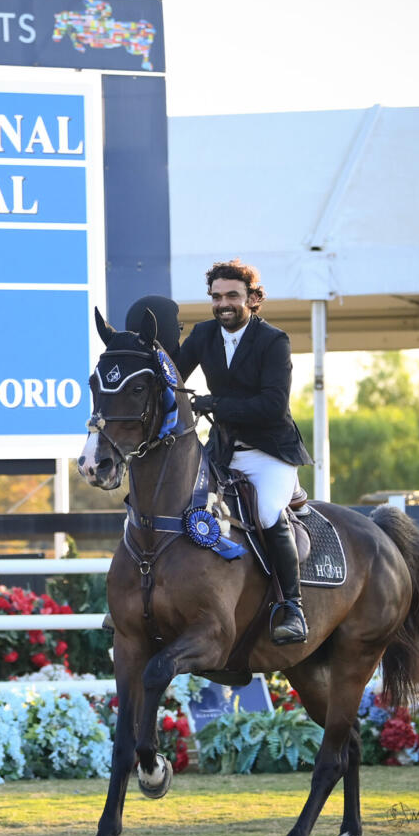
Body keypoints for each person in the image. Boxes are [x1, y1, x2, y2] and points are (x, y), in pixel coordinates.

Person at [174, 259, 313, 644]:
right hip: (222, 452)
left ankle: (292, 607)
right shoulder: (203, 335)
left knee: (268, 512)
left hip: (270, 451)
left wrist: (214, 403)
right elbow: (172, 377)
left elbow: (272, 404)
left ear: (252, 298)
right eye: (216, 297)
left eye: (232, 296)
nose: (223, 304)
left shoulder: (273, 341)